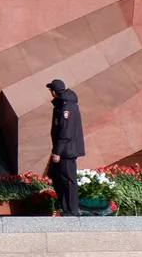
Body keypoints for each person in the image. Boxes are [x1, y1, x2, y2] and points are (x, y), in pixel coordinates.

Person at [47, 79, 85, 217]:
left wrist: (57, 151)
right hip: (63, 149)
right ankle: (66, 208)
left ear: (53, 92)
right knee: (58, 179)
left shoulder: (66, 107)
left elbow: (65, 132)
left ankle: (71, 210)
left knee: (68, 180)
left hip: (66, 151)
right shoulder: (63, 104)